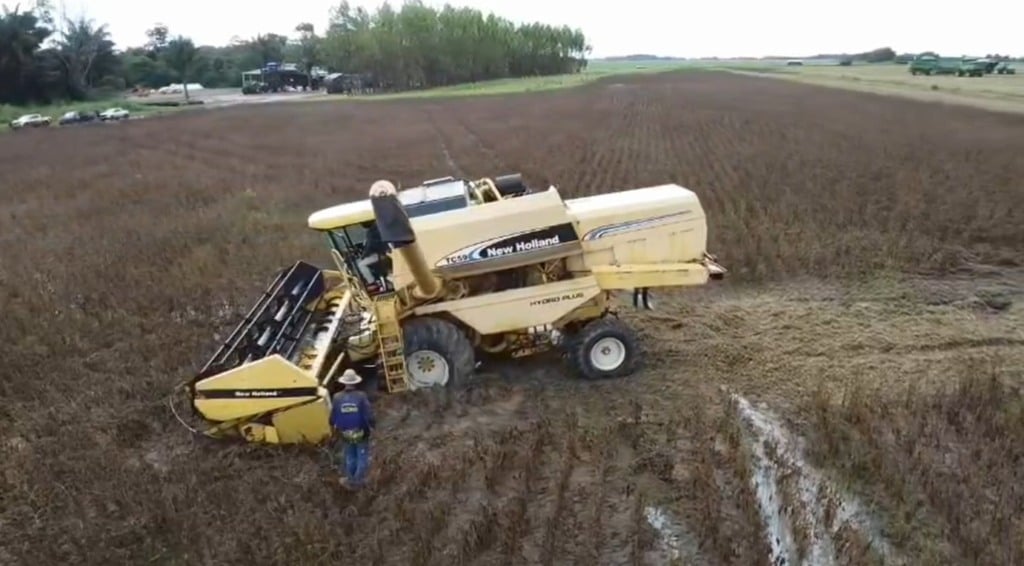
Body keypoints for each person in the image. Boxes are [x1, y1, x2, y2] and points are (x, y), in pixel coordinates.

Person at [329, 369, 376, 488]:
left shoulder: (337, 397)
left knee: (350, 456)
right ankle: (358, 481)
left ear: (344, 382)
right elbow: (368, 414)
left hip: (346, 431)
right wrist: (373, 425)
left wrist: (333, 426)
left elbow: (333, 416)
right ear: (355, 382)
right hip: (361, 431)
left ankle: (351, 479)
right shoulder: (361, 396)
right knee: (362, 455)